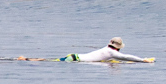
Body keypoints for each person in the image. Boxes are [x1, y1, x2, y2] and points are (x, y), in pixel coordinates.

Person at [18, 37, 155, 63]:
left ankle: (26, 59)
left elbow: (111, 60)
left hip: (75, 56)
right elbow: (125, 57)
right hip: (75, 60)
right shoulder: (111, 53)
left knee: (52, 60)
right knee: (49, 61)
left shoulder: (106, 50)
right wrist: (143, 60)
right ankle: (26, 59)